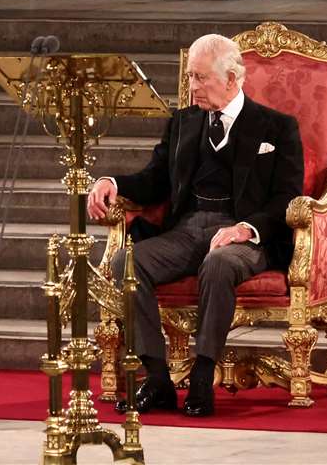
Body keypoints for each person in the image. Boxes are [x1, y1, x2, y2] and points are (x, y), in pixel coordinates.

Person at [86, 33, 304, 417]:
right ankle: (157, 379)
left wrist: (243, 230)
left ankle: (202, 377)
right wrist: (113, 183)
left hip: (245, 236)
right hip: (187, 229)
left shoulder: (277, 128)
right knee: (126, 263)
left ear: (233, 78)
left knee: (218, 263)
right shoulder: (184, 122)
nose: (192, 87)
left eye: (201, 78)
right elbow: (155, 179)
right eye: (189, 77)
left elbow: (286, 197)